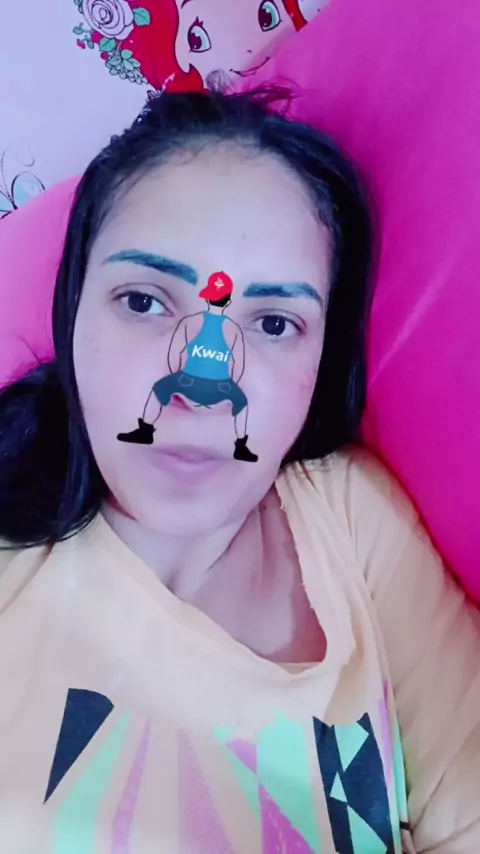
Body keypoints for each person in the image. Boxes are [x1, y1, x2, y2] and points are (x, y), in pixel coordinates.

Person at [0, 89, 479, 853]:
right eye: (144, 301)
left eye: (276, 323)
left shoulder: (348, 517)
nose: (198, 393)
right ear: (74, 310)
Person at [118, 269, 258, 461]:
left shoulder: (190, 321)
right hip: (222, 385)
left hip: (186, 380)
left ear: (207, 298)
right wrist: (228, 384)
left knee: (159, 388)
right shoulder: (233, 330)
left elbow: (175, 354)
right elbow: (238, 365)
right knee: (241, 404)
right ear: (227, 302)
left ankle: (145, 431)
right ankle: (241, 446)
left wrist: (180, 376)